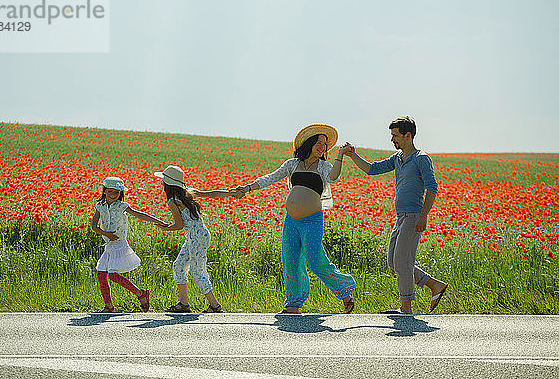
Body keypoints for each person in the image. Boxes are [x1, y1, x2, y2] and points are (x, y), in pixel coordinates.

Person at [235, 124, 356, 314]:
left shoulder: (324, 166)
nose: (322, 147)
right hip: (291, 221)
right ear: (309, 143)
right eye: (318, 142)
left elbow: (333, 178)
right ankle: (294, 303)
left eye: (325, 144)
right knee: (290, 261)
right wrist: (247, 188)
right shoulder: (292, 164)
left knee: (315, 261)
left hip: (312, 220)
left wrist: (340, 155)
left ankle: (344, 290)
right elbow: (271, 177)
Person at [344, 116, 448, 313]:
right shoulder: (397, 159)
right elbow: (371, 169)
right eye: (392, 135)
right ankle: (434, 285)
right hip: (401, 217)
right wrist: (352, 156)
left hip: (413, 216)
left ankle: (406, 308)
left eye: (396, 136)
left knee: (402, 262)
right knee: (393, 262)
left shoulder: (421, 159)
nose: (392, 140)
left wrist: (423, 216)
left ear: (408, 136)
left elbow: (432, 188)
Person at [155, 165, 236, 313]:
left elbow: (179, 226)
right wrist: (229, 193)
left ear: (167, 184)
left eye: (163, 181)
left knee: (196, 271)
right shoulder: (188, 193)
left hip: (196, 237)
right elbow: (211, 194)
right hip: (197, 235)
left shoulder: (173, 201)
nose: (161, 184)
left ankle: (214, 305)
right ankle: (184, 304)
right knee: (179, 265)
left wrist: (165, 228)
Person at [91, 176, 166, 313]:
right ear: (104, 191)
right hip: (109, 244)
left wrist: (158, 221)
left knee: (113, 275)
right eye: (110, 191)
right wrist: (106, 234)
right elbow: (93, 226)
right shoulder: (100, 206)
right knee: (101, 274)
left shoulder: (122, 206)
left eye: (116, 192)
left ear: (121, 194)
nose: (113, 195)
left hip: (119, 244)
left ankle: (140, 293)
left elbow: (139, 215)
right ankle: (108, 306)